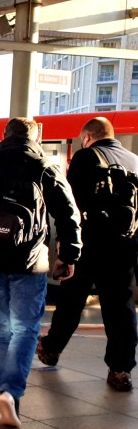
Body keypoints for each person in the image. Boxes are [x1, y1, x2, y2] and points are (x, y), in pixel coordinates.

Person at [0, 117, 81, 428]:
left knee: (0, 328)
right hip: (30, 262)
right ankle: (10, 392)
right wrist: (69, 255)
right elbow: (68, 213)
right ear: (36, 138)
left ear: (3, 136)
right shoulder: (44, 167)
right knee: (25, 329)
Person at [37, 117, 138, 391]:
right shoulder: (134, 160)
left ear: (87, 137)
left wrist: (65, 250)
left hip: (89, 244)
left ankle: (51, 348)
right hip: (124, 248)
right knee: (121, 308)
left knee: (71, 300)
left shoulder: (86, 157)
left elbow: (70, 207)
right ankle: (120, 370)